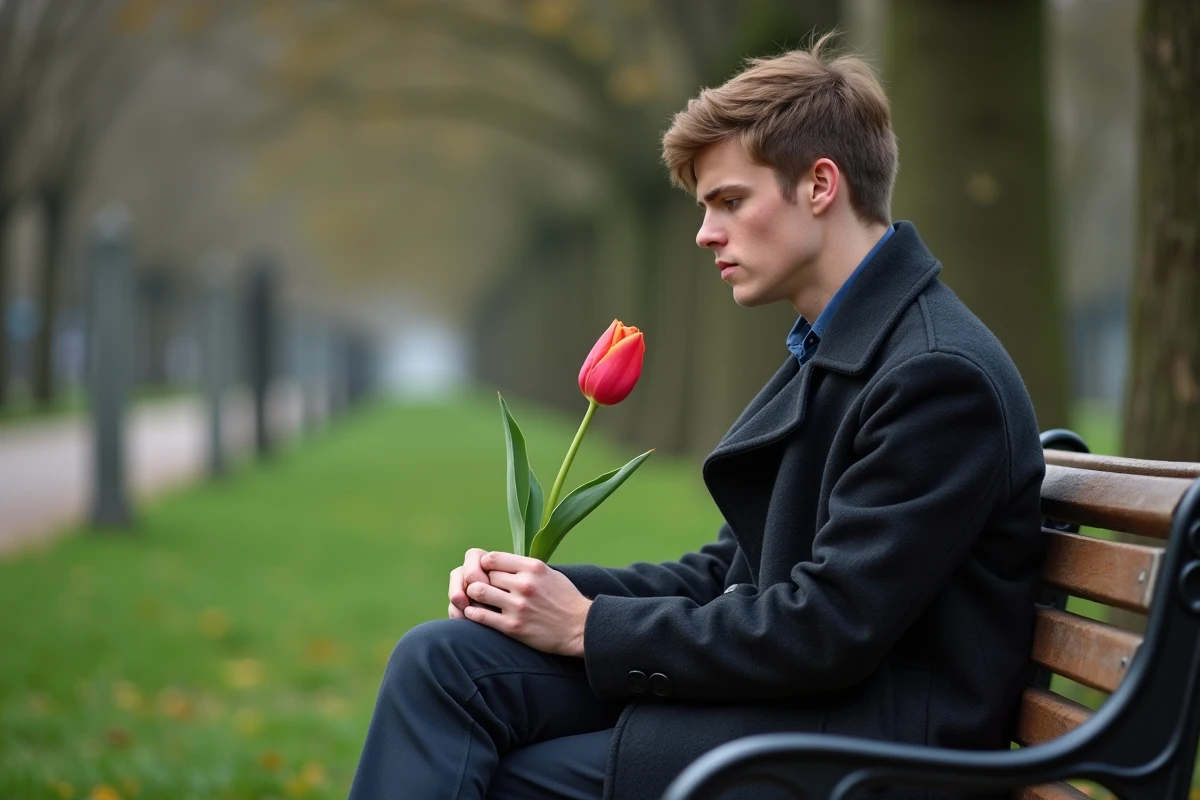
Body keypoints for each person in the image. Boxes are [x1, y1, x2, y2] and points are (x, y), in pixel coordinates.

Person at [349, 32, 1045, 800]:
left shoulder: (935, 375)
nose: (706, 232)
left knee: (517, 783)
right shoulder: (845, 345)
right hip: (794, 703)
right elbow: (730, 573)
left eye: (730, 201)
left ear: (820, 185)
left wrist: (587, 627)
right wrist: (537, 593)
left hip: (863, 746)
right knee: (443, 663)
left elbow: (829, 627)